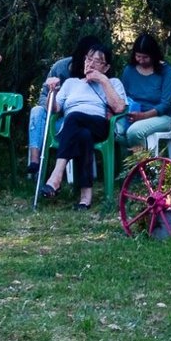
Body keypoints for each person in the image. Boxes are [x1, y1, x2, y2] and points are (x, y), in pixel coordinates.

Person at [39, 36, 126, 210]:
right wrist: (52, 92)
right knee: (83, 135)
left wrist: (103, 80)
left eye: (97, 61)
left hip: (99, 126)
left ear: (106, 67)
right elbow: (54, 109)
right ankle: (85, 197)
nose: (91, 64)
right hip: (74, 129)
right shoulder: (71, 83)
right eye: (88, 59)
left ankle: (56, 176)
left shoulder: (113, 82)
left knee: (73, 117)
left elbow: (119, 108)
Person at [117, 32, 171, 151]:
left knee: (134, 132)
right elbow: (123, 97)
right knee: (116, 131)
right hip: (133, 114)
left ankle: (145, 161)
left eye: (145, 57)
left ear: (154, 55)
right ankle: (138, 157)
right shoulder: (129, 71)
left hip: (161, 116)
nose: (141, 60)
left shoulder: (166, 71)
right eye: (138, 56)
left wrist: (143, 116)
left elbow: (165, 104)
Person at [25, 53, 74, 176]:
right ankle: (35, 161)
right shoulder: (59, 67)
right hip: (53, 114)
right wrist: (50, 106)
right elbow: (43, 95)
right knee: (37, 111)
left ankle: (42, 171)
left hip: (70, 120)